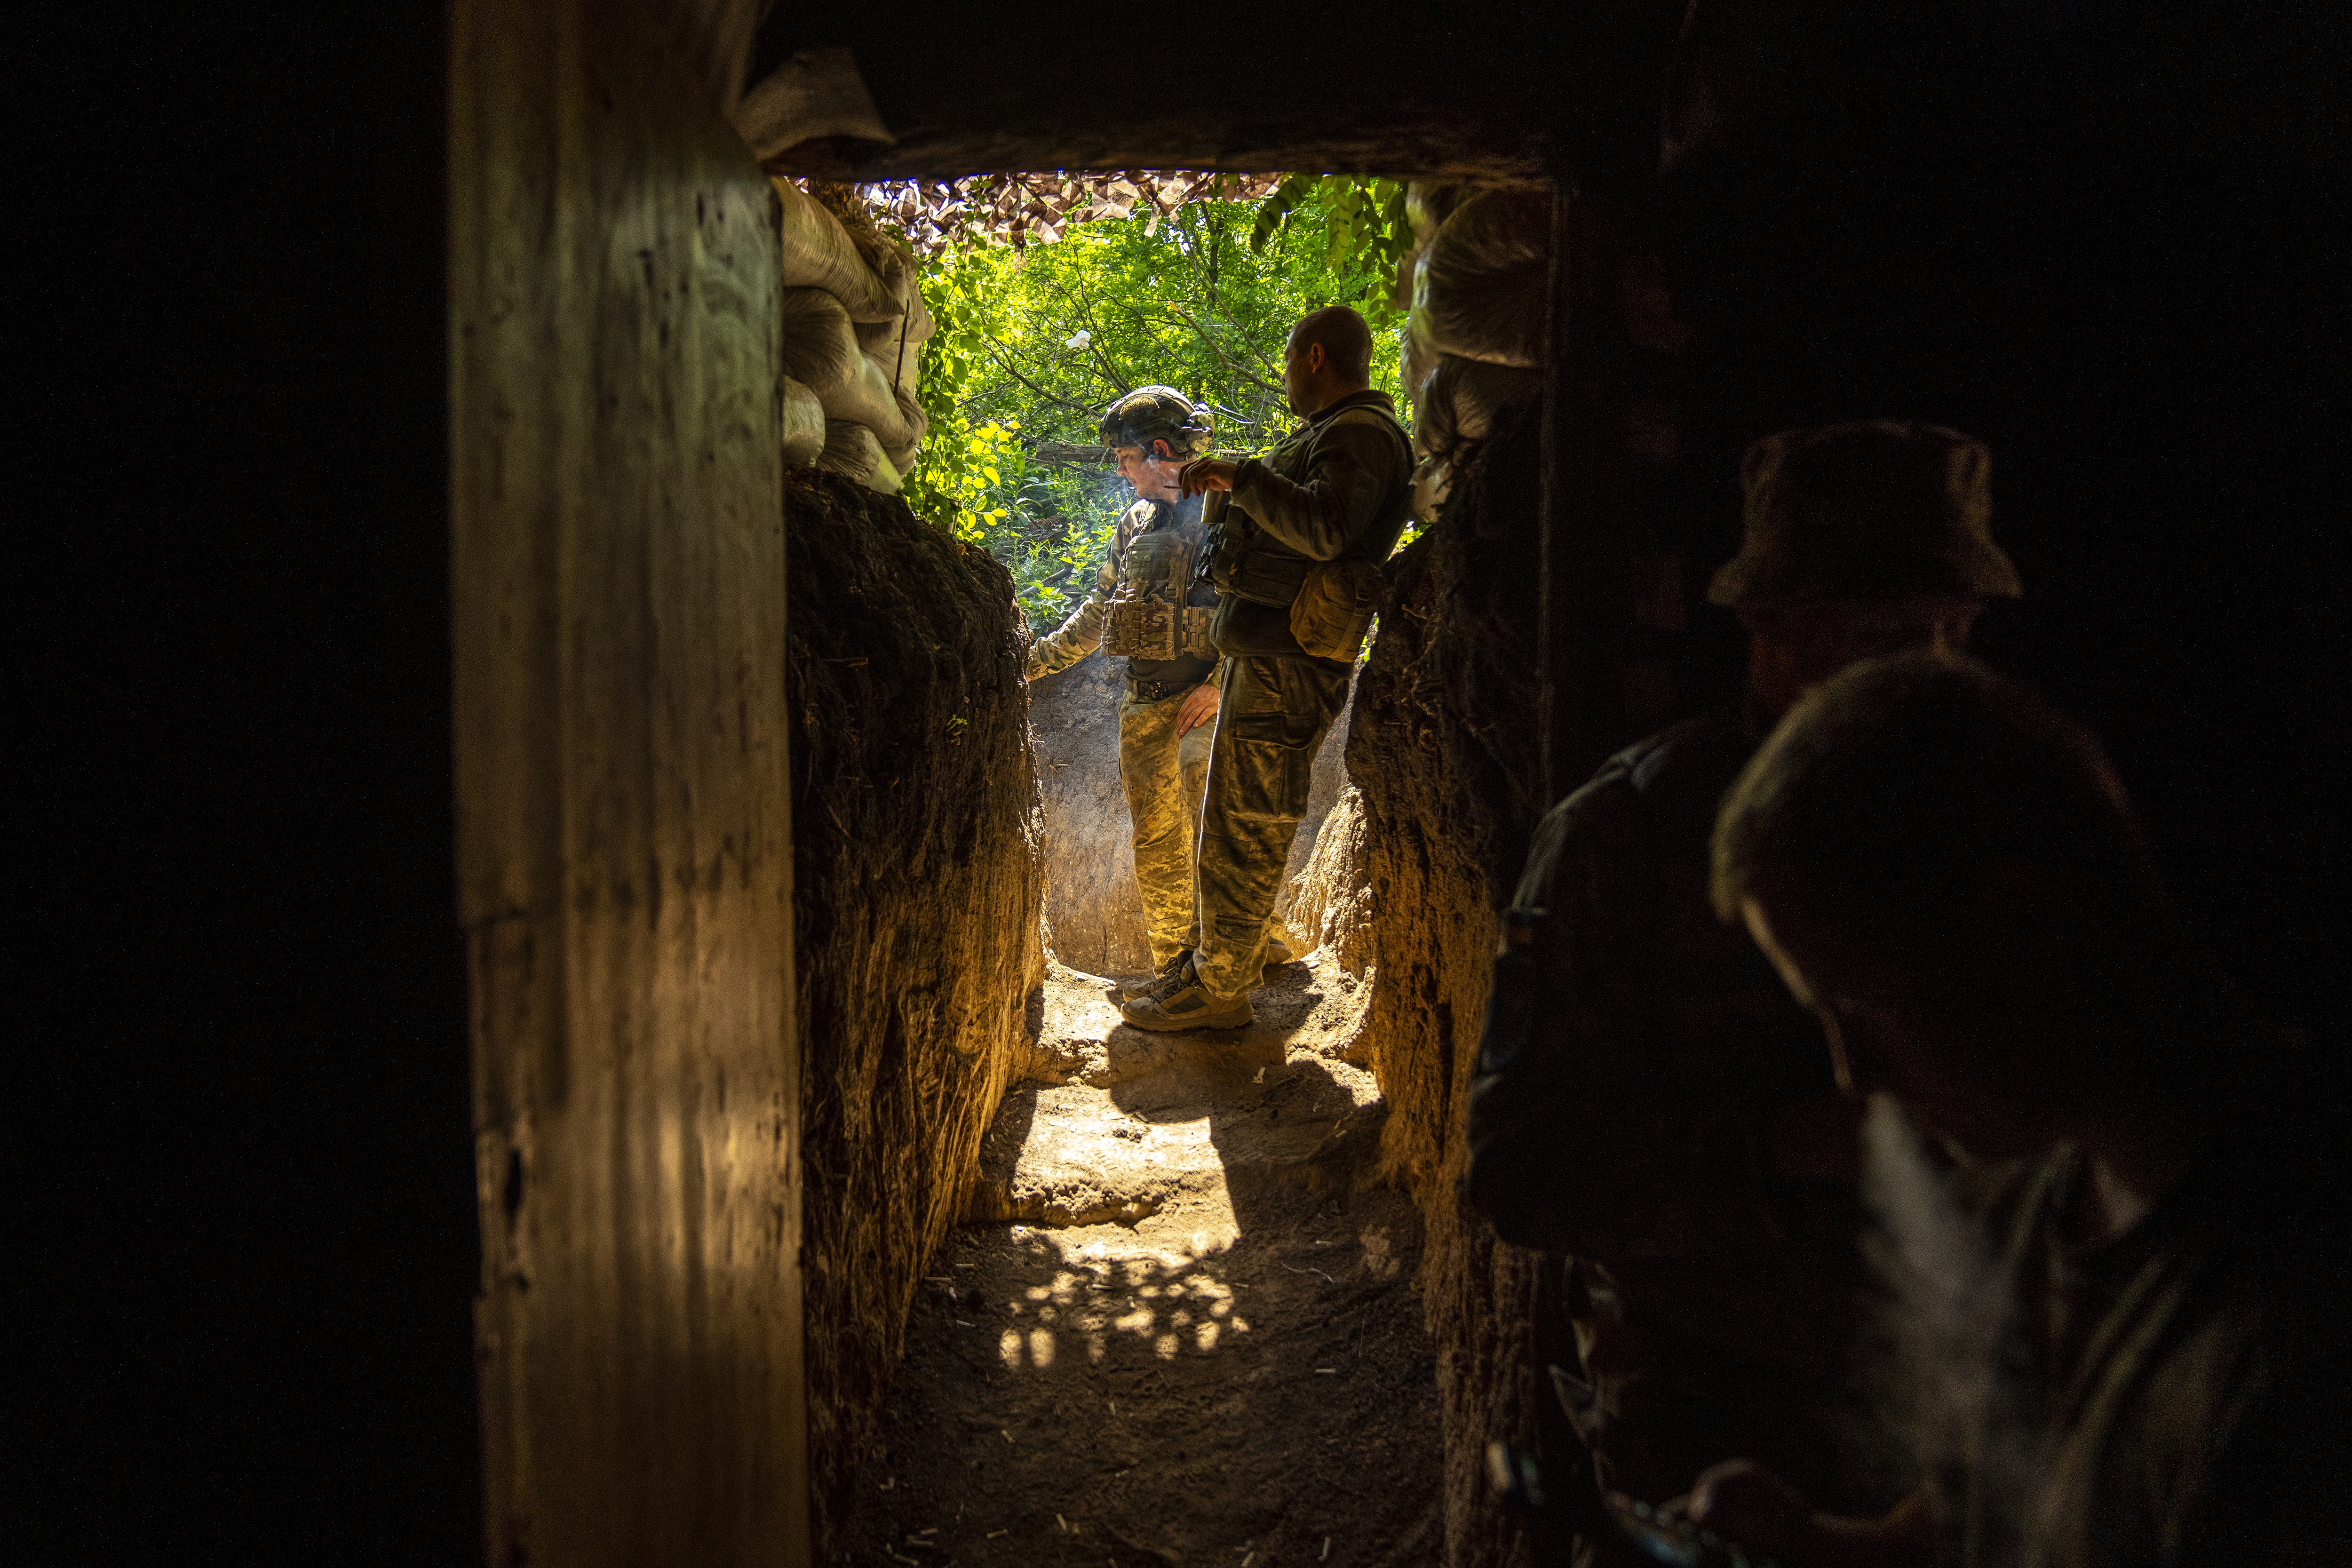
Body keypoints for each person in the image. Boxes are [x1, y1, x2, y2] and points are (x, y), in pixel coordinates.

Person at [1463, 422, 2023, 1548]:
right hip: (1710, 1412)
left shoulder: (2004, 808)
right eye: (1881, 633)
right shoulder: (1629, 838)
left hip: (1956, 1415)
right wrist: (1777, 1150)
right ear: (1767, 627)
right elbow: (1520, 1171)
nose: (1925, 667)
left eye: (1951, 629)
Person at [1687, 651, 2351, 1568]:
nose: (1850, 1076)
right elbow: (1998, 1524)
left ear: (2023, 933)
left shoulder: (2289, 1340)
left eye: (1860, 1007)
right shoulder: (2029, 1209)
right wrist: (1828, 1549)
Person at [1119, 306, 1414, 1032]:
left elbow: (1328, 529)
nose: (1283, 375)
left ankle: (1219, 994)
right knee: (1231, 819)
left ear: (1315, 357)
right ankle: (1212, 966)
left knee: (1248, 822)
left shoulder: (1361, 434)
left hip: (1291, 661)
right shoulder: (1331, 433)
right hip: (1271, 654)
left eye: (1287, 359)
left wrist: (1243, 477)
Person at [1029, 386, 1277, 986]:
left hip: (1211, 707)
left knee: (1216, 838)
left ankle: (1233, 959)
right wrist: (1031, 662)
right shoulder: (1135, 524)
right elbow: (1099, 611)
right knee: (1159, 848)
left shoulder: (1238, 510)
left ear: (1157, 449)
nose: (1121, 474)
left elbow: (1271, 608)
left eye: (1123, 460)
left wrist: (1220, 684)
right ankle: (1177, 971)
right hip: (1145, 709)